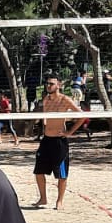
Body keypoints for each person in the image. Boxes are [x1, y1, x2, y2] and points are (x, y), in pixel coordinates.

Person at [33, 76, 83, 209]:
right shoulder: (46, 100)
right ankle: (43, 199)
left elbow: (82, 115)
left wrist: (70, 132)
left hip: (59, 141)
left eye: (51, 84)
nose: (48, 86)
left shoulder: (65, 99)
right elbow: (45, 118)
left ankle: (59, 201)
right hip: (46, 140)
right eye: (47, 83)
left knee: (62, 174)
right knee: (38, 171)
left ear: (59, 85)